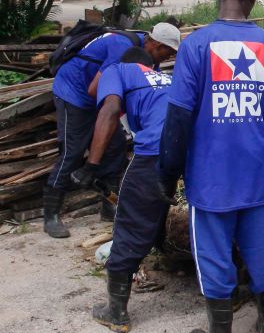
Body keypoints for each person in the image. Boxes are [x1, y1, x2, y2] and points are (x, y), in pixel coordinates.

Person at [157, 0, 264, 333]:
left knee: (213, 251)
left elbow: (179, 115)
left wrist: (169, 171)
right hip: (257, 172)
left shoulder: (196, 45)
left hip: (211, 174)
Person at [70, 46, 174, 333]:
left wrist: (92, 165)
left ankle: (115, 311)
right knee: (170, 204)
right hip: (195, 150)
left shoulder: (118, 69)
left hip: (155, 150)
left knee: (130, 221)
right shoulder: (167, 80)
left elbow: (110, 109)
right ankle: (172, 255)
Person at [44, 22, 180, 239]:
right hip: (75, 94)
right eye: (167, 52)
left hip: (104, 99)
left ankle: (109, 206)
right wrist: (93, 160)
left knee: (115, 148)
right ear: (154, 43)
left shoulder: (147, 58)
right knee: (73, 150)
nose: (169, 58)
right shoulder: (121, 48)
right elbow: (96, 90)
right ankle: (51, 214)